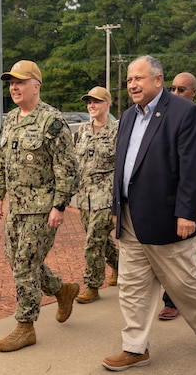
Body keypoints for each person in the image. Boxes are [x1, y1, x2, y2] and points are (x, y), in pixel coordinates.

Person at [102, 56, 196, 371]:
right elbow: (121, 167)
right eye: (129, 80)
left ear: (158, 80)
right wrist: (117, 206)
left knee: (182, 283)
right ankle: (135, 347)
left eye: (139, 78)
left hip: (168, 217)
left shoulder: (184, 113)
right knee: (131, 286)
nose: (133, 85)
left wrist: (186, 213)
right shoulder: (126, 117)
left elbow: (193, 168)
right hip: (130, 217)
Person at [0, 60, 80, 352]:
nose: (14, 87)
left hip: (42, 208)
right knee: (14, 258)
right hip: (16, 206)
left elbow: (67, 169)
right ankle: (61, 289)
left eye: (20, 81)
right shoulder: (12, 118)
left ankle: (25, 326)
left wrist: (60, 206)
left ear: (36, 86)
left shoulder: (52, 122)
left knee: (25, 266)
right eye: (11, 82)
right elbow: (2, 160)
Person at [158, 72, 196, 321]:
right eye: (172, 89)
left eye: (181, 90)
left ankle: (178, 303)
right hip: (163, 200)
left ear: (194, 93)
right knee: (167, 254)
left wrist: (182, 175)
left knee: (186, 257)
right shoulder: (161, 120)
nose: (175, 94)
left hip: (192, 200)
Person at [74, 86, 119, 304]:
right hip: (85, 197)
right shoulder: (82, 130)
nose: (92, 105)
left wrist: (120, 202)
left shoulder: (117, 130)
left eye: (97, 102)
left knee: (93, 240)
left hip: (106, 196)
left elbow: (122, 167)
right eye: (89, 102)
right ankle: (119, 266)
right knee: (99, 239)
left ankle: (92, 285)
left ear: (107, 105)